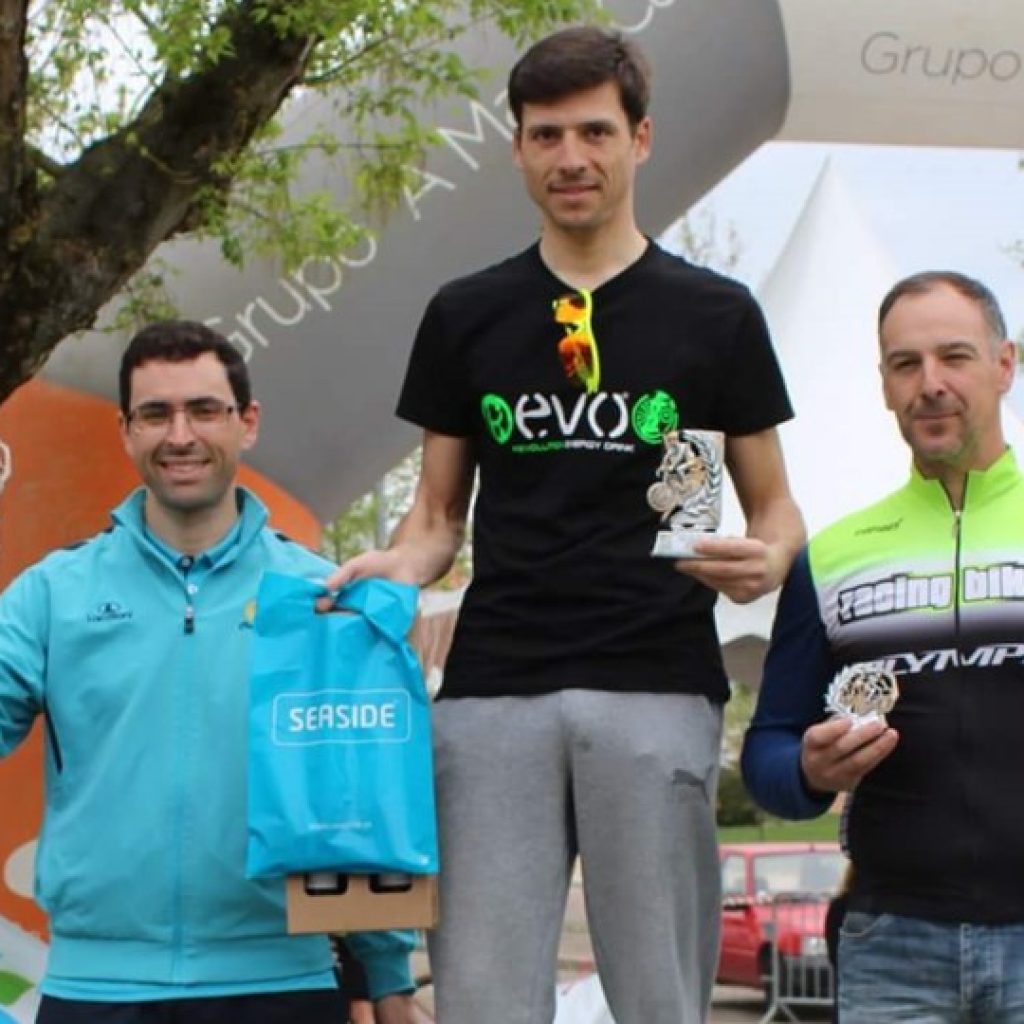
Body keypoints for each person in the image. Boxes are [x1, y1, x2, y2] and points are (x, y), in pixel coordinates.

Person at [327, 25, 804, 1024]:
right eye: (546, 135)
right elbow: (435, 516)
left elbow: (775, 507)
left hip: (656, 683)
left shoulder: (714, 314)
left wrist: (768, 560)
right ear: (516, 148)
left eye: (595, 131)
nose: (571, 157)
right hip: (494, 690)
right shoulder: (467, 313)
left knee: (662, 1002)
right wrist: (397, 566)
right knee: (483, 1001)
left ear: (641, 138)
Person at [0, 321, 417, 1023]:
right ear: (126, 431)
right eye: (155, 414)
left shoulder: (321, 594)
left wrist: (389, 977)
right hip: (97, 990)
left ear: (246, 423)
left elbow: (364, 797)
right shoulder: (52, 594)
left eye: (203, 410)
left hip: (281, 984)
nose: (180, 435)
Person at [742, 271, 1024, 1023]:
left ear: (1005, 365)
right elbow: (767, 749)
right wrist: (807, 770)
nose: (930, 384)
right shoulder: (833, 557)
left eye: (954, 357)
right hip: (893, 947)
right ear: (885, 386)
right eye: (906, 364)